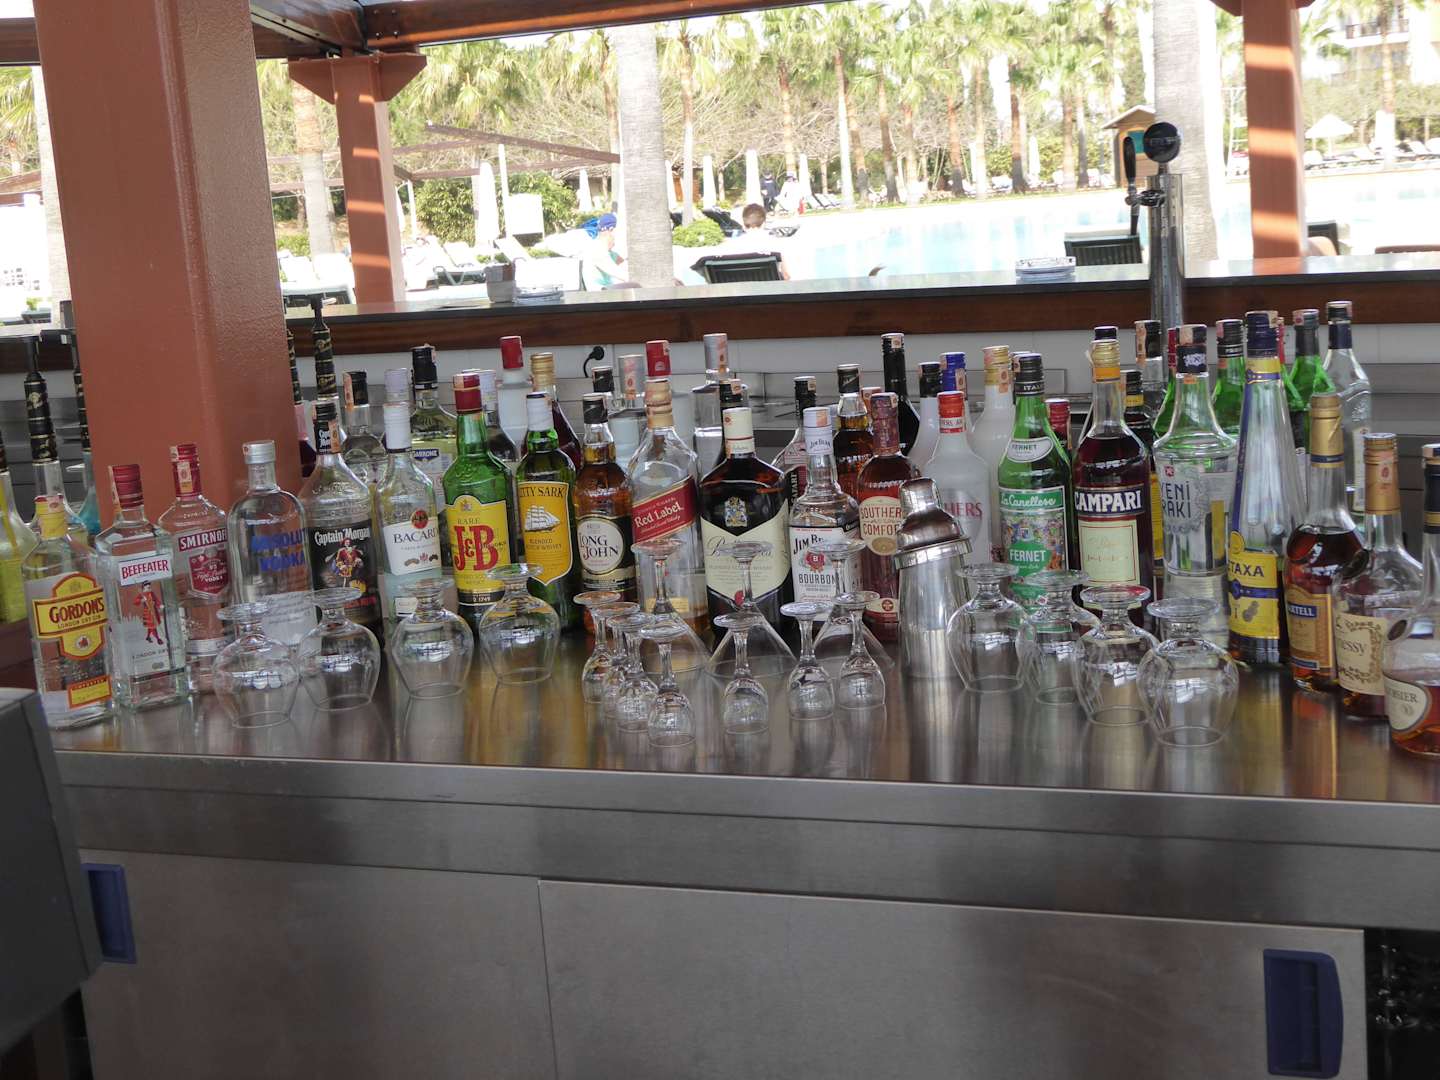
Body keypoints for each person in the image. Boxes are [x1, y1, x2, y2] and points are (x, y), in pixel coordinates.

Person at [715, 203, 792, 280]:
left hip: (741, 286)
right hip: (769, 286)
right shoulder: (775, 244)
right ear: (764, 223)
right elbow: (786, 275)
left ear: (744, 224)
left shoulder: (730, 246)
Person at [579, 213, 638, 290]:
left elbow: (627, 267)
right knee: (635, 285)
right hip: (599, 294)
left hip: (608, 293)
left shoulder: (612, 254)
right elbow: (623, 275)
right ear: (611, 230)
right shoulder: (596, 250)